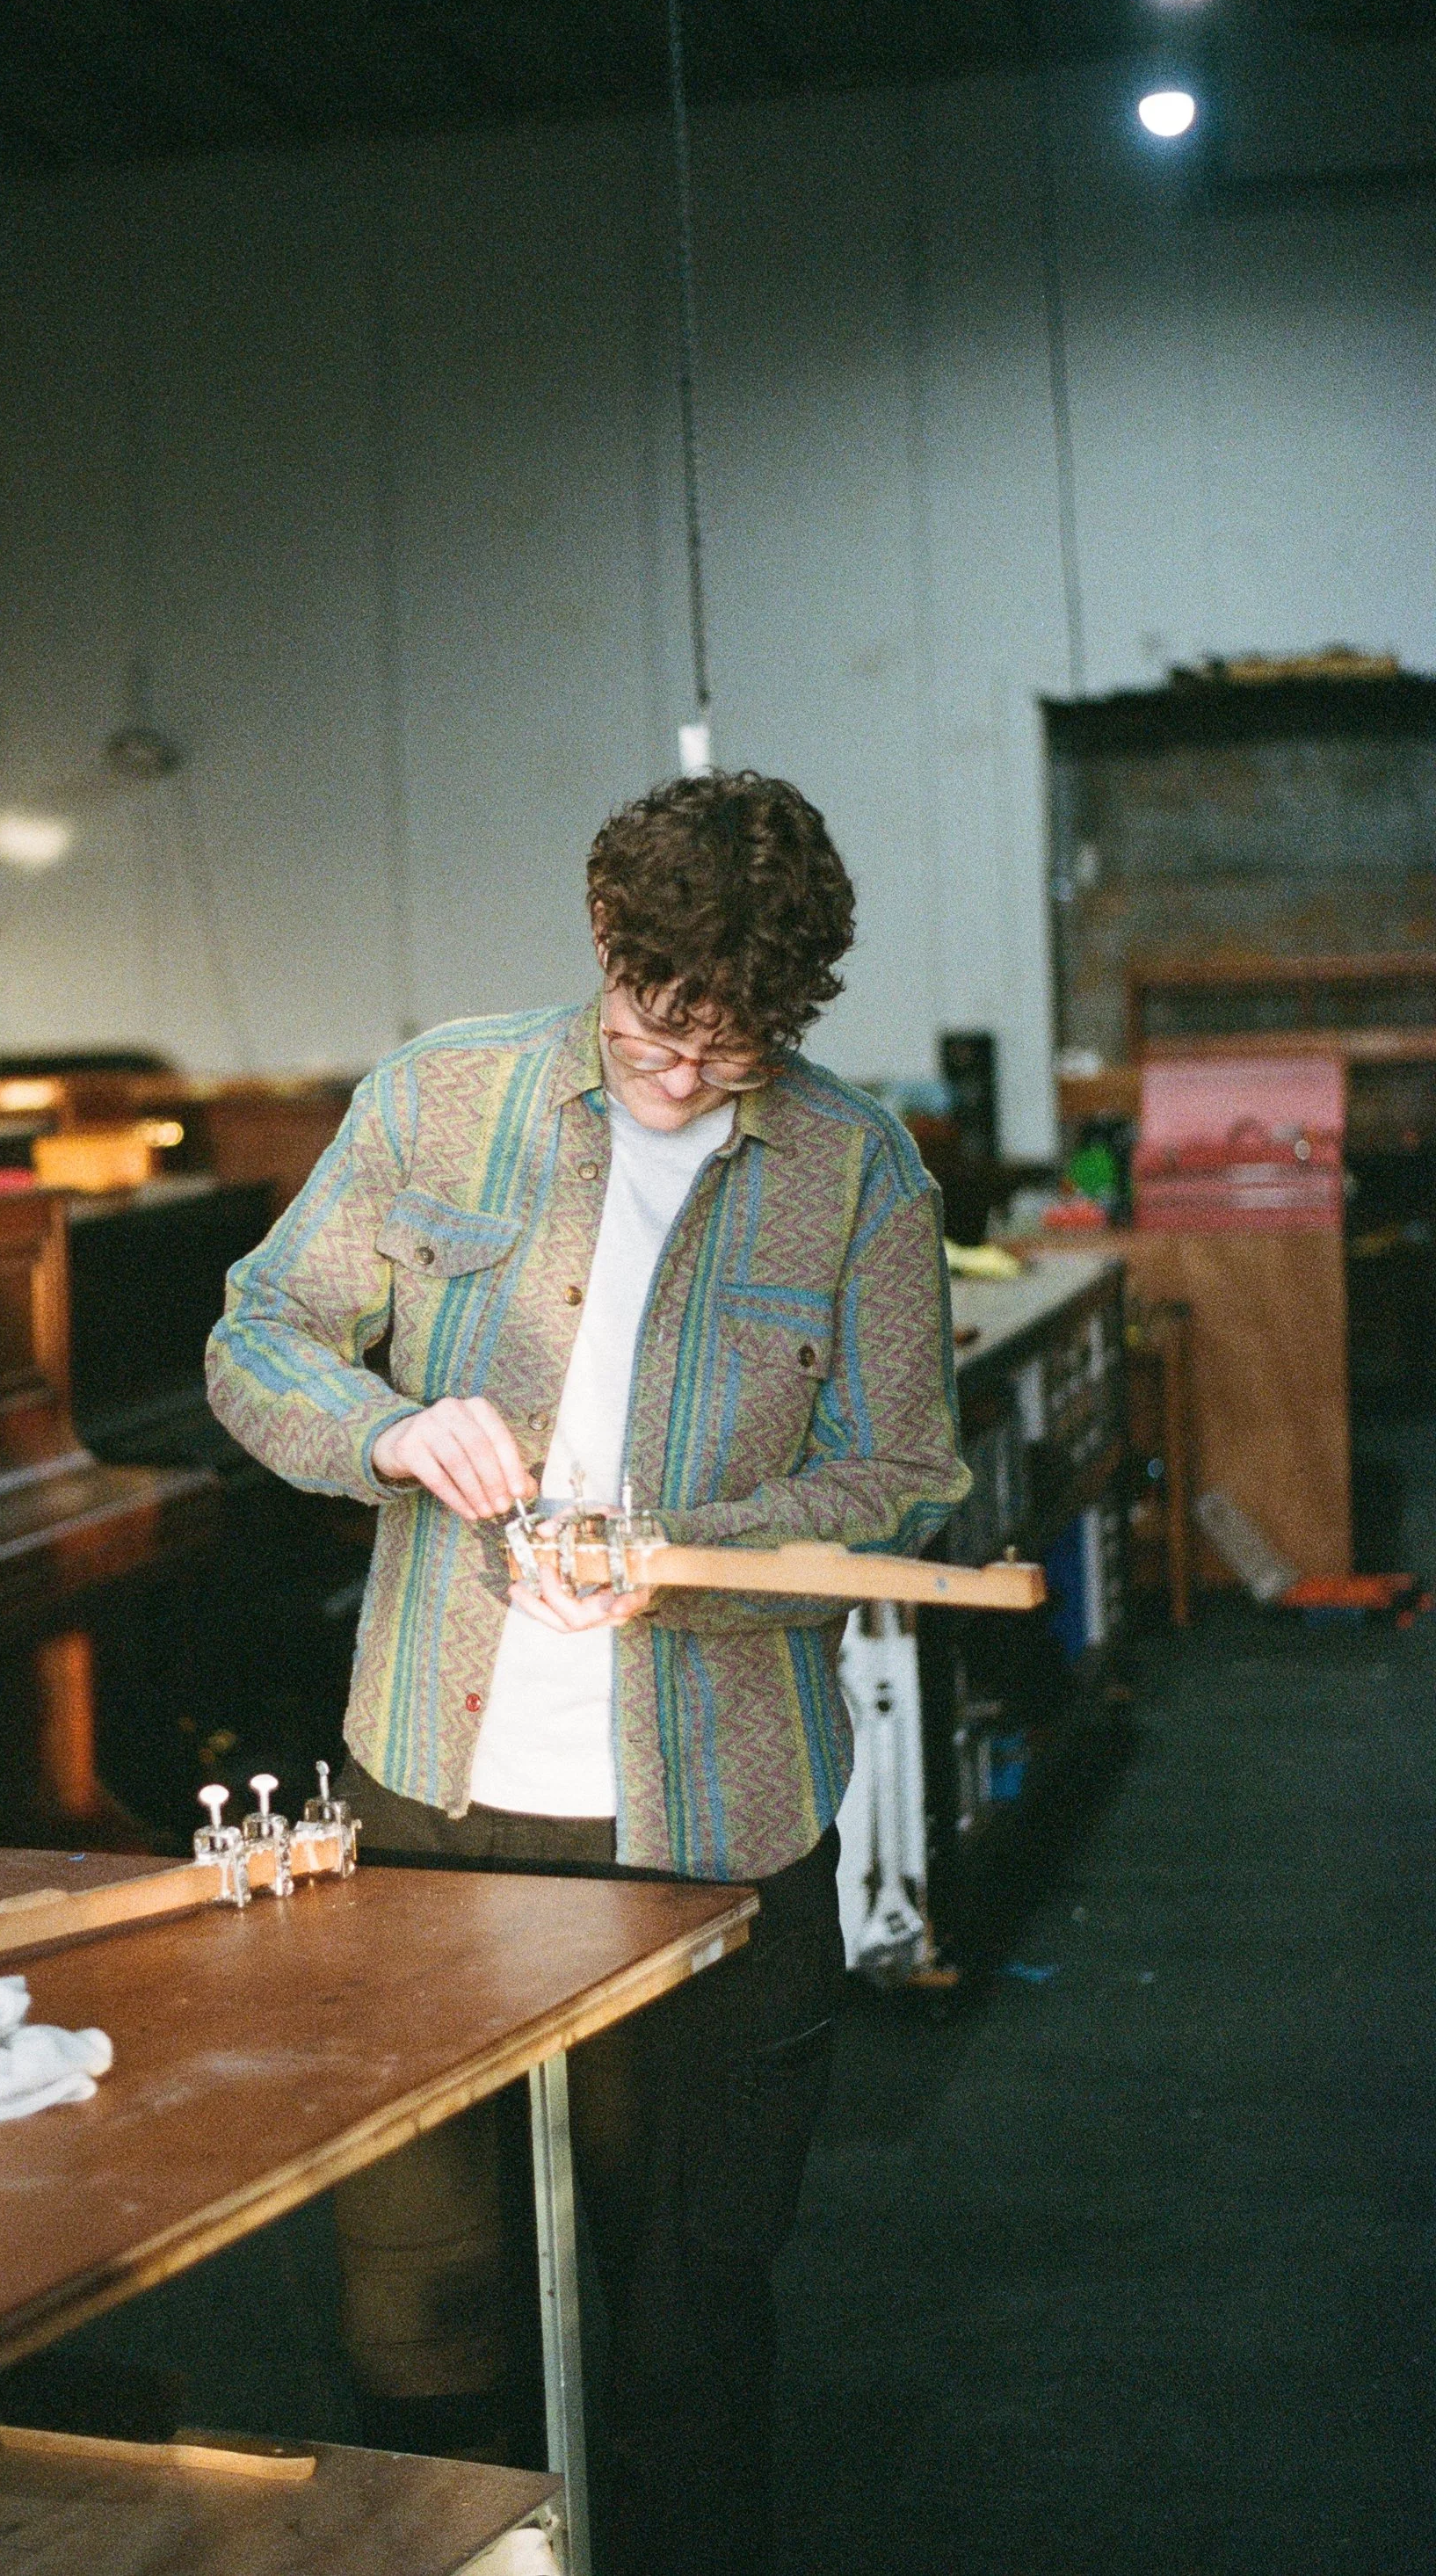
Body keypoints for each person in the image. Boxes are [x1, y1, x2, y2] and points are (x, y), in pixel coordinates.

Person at [207, 768, 968, 2574]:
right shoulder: (442, 1097)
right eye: (653, 1021)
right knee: (420, 2319)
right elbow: (261, 1330)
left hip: (710, 1828)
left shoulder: (860, 1172)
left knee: (685, 2330)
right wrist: (391, 1431)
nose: (681, 1072)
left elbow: (907, 1478)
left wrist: (690, 1558)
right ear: (604, 944)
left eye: (731, 1043)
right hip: (433, 1801)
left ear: (785, 1016)